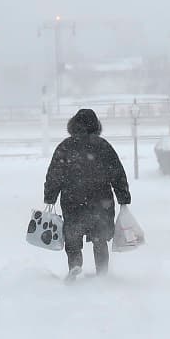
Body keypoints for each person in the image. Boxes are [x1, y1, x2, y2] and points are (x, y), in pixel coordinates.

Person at [44, 108, 131, 281]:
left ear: (74, 124)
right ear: (96, 125)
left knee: (73, 237)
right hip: (100, 201)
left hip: (72, 200)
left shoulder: (65, 146)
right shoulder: (103, 146)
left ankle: (75, 266)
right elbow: (117, 173)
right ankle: (102, 273)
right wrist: (123, 197)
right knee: (100, 239)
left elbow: (54, 173)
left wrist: (50, 196)